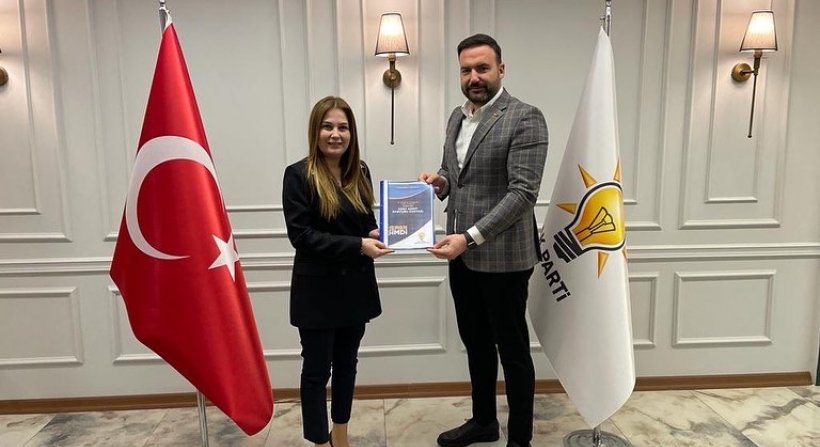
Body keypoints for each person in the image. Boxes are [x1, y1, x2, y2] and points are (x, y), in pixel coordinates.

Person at [418, 34, 548, 447]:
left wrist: (469, 239)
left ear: (501, 70)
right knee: (475, 344)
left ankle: (520, 440)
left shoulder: (526, 118)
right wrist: (439, 182)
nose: (474, 77)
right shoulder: (456, 118)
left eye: (482, 68)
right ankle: (484, 422)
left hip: (504, 259)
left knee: (512, 351)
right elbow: (454, 174)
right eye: (466, 70)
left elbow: (522, 194)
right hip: (461, 257)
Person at [283, 96, 393, 447]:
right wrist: (359, 245)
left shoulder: (360, 171)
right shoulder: (298, 175)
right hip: (317, 293)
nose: (335, 134)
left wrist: (381, 233)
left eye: (343, 127)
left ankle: (340, 436)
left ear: (351, 133)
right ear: (315, 131)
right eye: (327, 126)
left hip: (355, 288)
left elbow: (365, 221)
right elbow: (302, 236)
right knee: (317, 371)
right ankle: (319, 441)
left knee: (347, 365)